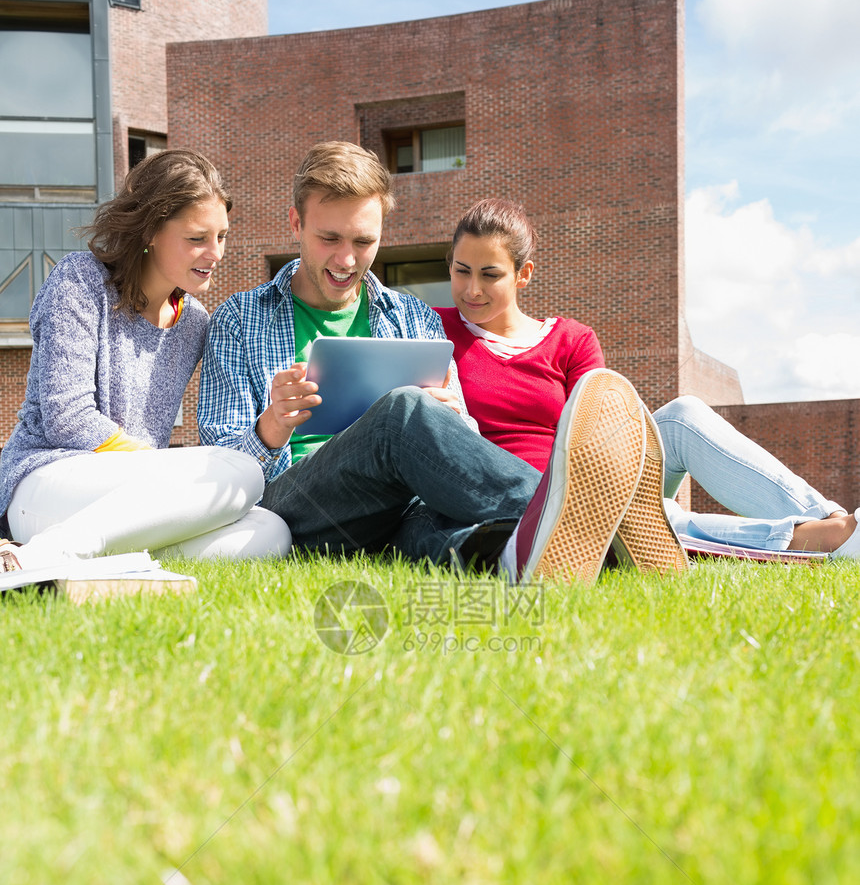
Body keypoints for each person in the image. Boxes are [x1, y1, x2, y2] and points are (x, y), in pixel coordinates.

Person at [197, 140, 681, 584]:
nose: (346, 259)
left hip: (400, 510)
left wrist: (453, 418)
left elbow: (462, 443)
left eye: (364, 242)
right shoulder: (239, 321)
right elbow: (219, 474)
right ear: (296, 225)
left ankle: (533, 552)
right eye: (330, 238)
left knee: (448, 539)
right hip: (300, 509)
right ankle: (581, 514)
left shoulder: (412, 317)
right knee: (401, 413)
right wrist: (272, 427)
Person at [435, 198, 860, 563]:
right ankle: (817, 539)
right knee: (636, 511)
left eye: (490, 274)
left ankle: (833, 522)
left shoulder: (571, 339)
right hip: (517, 494)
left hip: (588, 475)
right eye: (461, 271)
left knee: (682, 414)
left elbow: (599, 433)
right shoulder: (432, 329)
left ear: (522, 275)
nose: (472, 289)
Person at [0, 149, 290, 576]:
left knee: (269, 531)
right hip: (44, 480)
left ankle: (78, 558)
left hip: (129, 494)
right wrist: (161, 469)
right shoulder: (80, 280)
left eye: (222, 237)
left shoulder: (193, 322)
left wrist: (161, 479)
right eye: (197, 238)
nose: (215, 253)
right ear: (151, 231)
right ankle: (38, 556)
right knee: (242, 472)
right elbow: (68, 419)